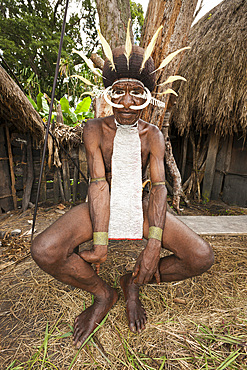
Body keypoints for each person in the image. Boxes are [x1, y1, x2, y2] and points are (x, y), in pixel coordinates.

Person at [31, 44, 214, 348]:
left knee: (201, 257)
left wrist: (153, 246)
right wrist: (100, 242)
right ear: (108, 94)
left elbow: (158, 188)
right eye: (119, 93)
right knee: (44, 250)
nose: (127, 103)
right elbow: (98, 184)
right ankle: (104, 294)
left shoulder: (153, 134)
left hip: (138, 206)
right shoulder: (93, 129)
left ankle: (132, 283)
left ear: (148, 97)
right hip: (102, 204)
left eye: (136, 94)